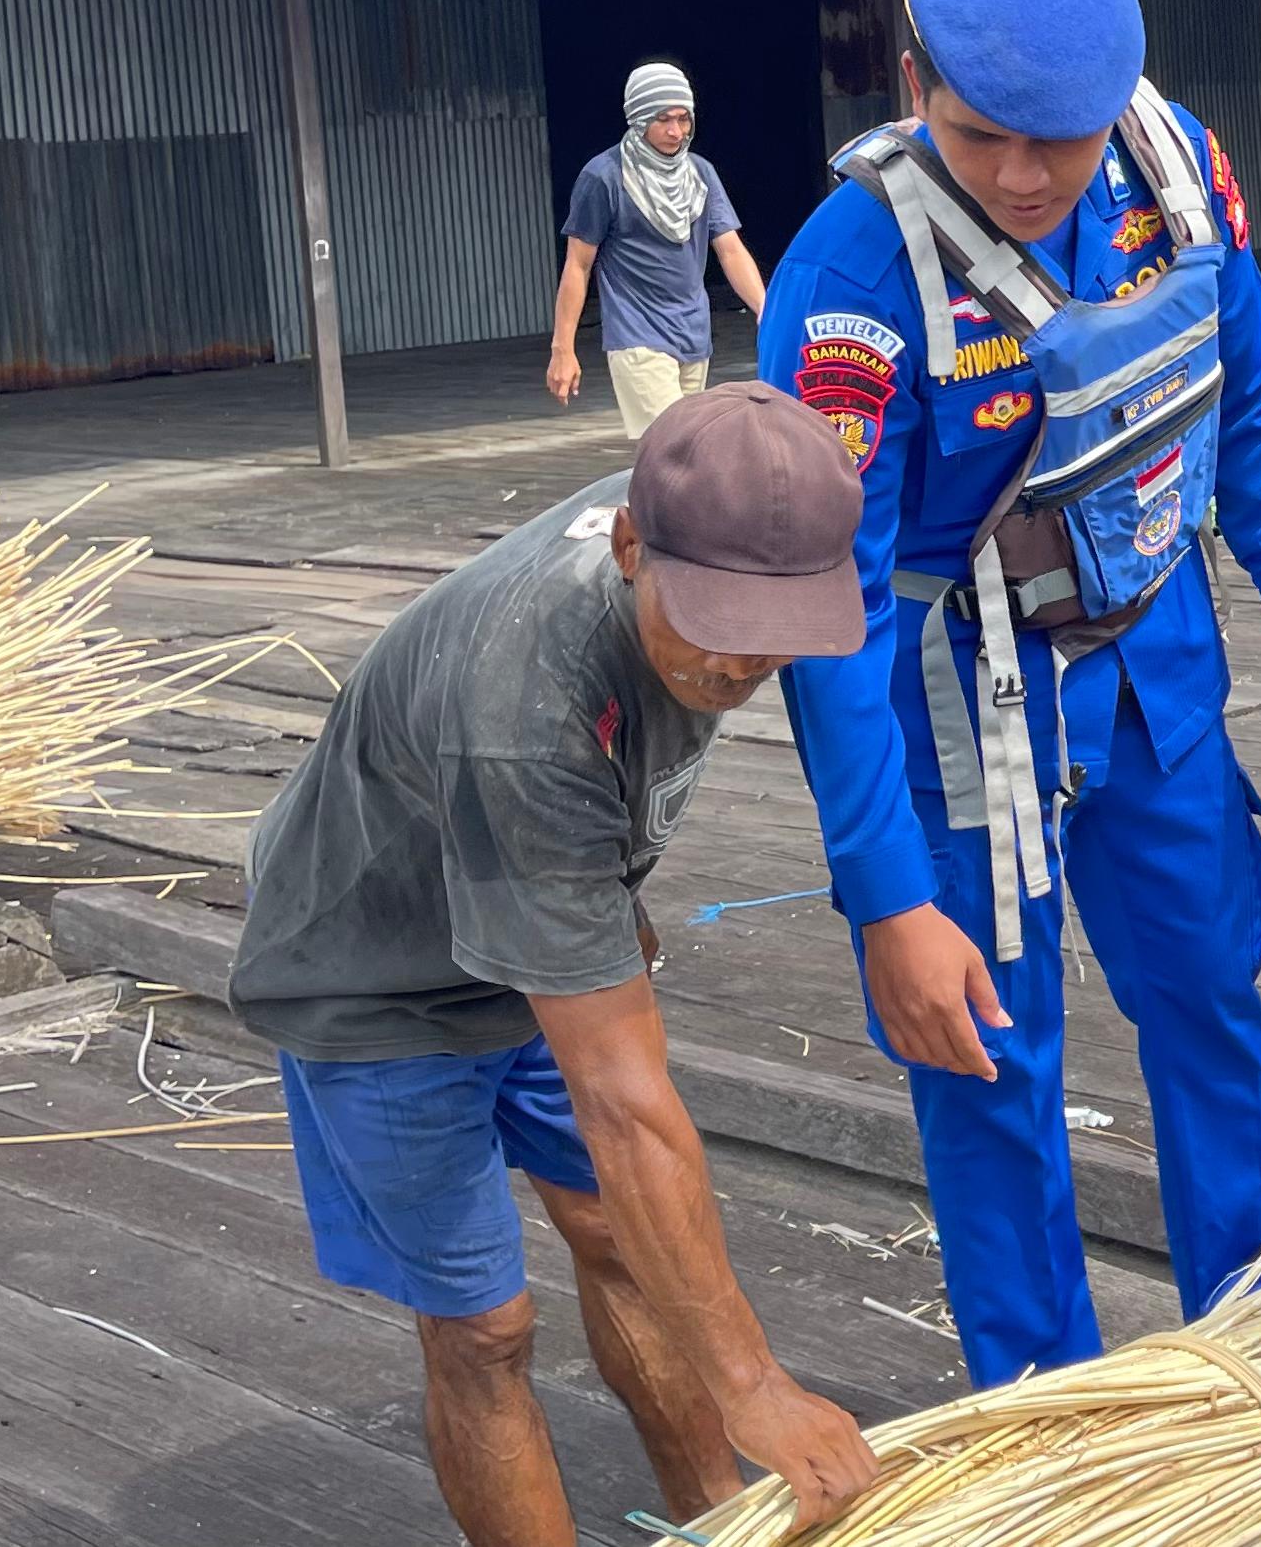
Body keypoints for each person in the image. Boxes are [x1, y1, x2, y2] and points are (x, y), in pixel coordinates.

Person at [761, 0, 1261, 1390]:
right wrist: (887, 894)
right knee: (985, 1061)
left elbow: (1254, 385)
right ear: (916, 88)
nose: (1028, 176)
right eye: (983, 137)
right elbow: (828, 616)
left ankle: (1256, 1355)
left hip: (1154, 674)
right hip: (961, 718)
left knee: (1210, 1001)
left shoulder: (1175, 172)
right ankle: (1046, 1405)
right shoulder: (850, 281)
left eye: (1063, 138)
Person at [231, 384, 884, 1547]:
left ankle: (716, 1526)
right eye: (711, 623)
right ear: (632, 546)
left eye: (774, 632)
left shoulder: (716, 519)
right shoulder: (525, 702)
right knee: (485, 1330)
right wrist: (752, 1384)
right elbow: (627, 1107)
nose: (738, 665)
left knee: (627, 1242)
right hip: (375, 972)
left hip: (532, 917)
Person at [552, 61, 774, 437]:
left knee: (687, 453)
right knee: (672, 445)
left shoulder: (699, 174)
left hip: (693, 333)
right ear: (638, 119)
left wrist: (765, 309)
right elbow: (578, 264)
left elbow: (730, 249)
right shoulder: (605, 177)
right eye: (663, 120)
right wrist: (563, 349)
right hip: (638, 334)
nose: (676, 131)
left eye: (683, 119)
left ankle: (651, 499)